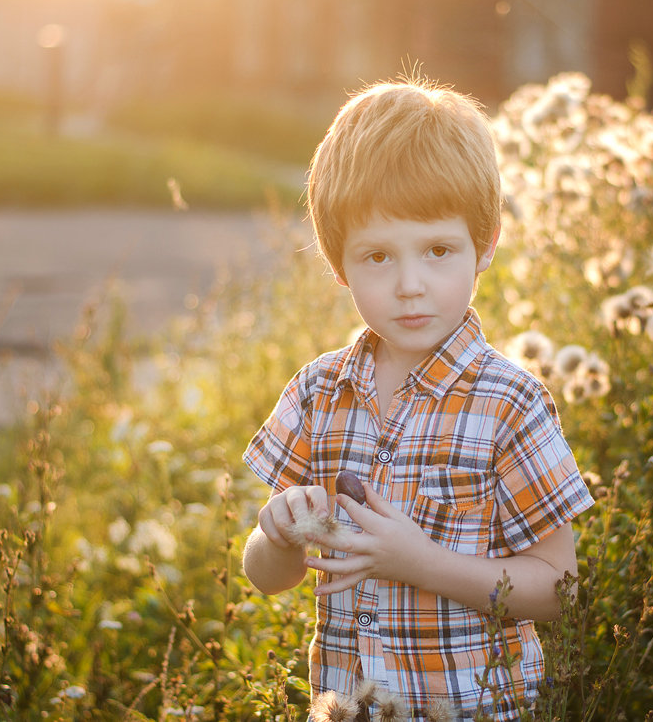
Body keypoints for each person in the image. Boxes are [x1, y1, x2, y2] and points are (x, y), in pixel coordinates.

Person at [241, 74, 594, 721]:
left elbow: (559, 586)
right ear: (339, 263)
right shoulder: (320, 392)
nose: (410, 284)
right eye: (378, 256)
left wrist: (420, 561)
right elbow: (267, 574)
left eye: (438, 250)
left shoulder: (509, 403)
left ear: (484, 245)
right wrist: (279, 532)